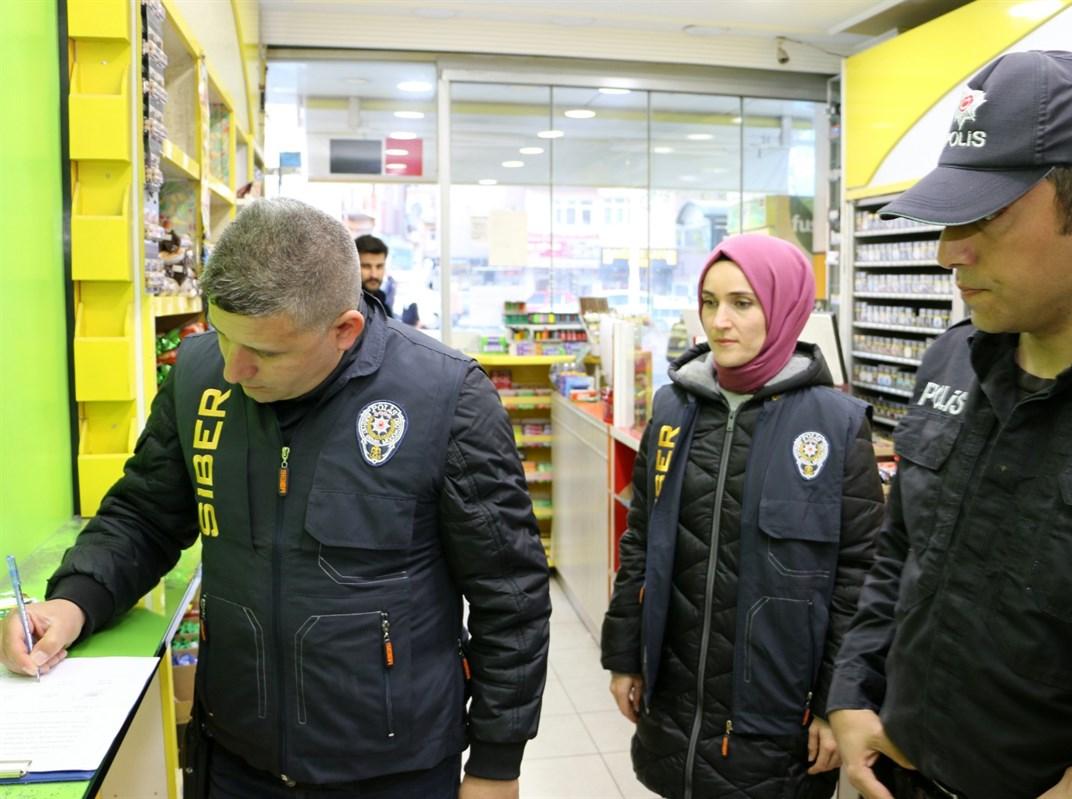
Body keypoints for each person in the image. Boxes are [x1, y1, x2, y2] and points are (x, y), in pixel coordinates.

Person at [1, 198, 551, 799]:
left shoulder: (445, 399)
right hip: (236, 754)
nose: (233, 369)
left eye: (263, 352)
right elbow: (144, 515)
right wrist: (74, 602)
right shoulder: (198, 376)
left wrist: (497, 764)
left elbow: (511, 594)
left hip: (393, 767)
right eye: (222, 334)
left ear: (344, 330)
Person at [827, 50, 1072, 799]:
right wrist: (851, 689)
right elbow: (901, 553)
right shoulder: (950, 364)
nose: (946, 253)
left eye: (985, 216)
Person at [601, 234, 884, 798]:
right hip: (675, 700)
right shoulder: (673, 407)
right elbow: (642, 542)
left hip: (777, 718)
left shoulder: (836, 424)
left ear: (783, 308)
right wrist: (625, 655)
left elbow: (860, 577)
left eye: (742, 303)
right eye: (709, 302)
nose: (719, 321)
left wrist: (840, 699)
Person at [356, 233, 394, 316]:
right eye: (366, 266)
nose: (374, 275)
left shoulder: (383, 306)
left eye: (379, 266)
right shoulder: (346, 307)